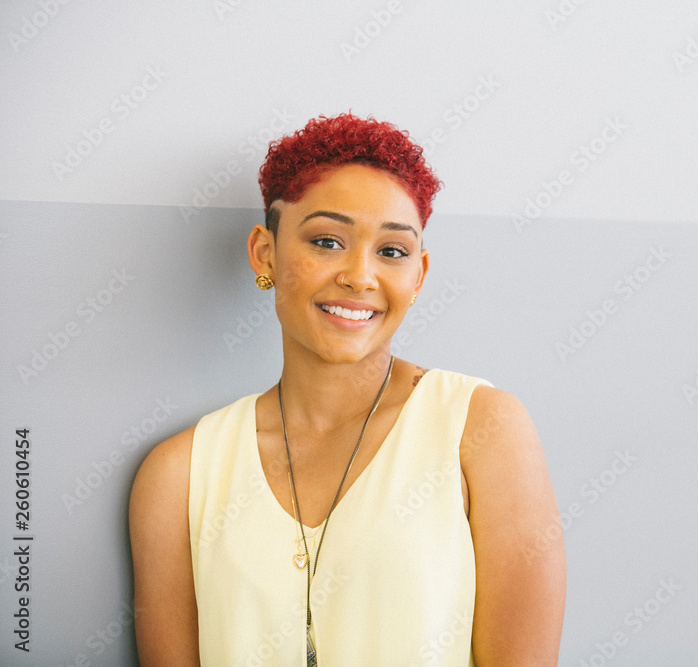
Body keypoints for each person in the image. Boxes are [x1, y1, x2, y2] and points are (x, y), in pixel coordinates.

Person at [128, 112, 566, 665]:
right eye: (327, 241)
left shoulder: (482, 429)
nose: (360, 276)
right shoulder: (179, 474)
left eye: (392, 251)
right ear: (264, 253)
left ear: (418, 275)